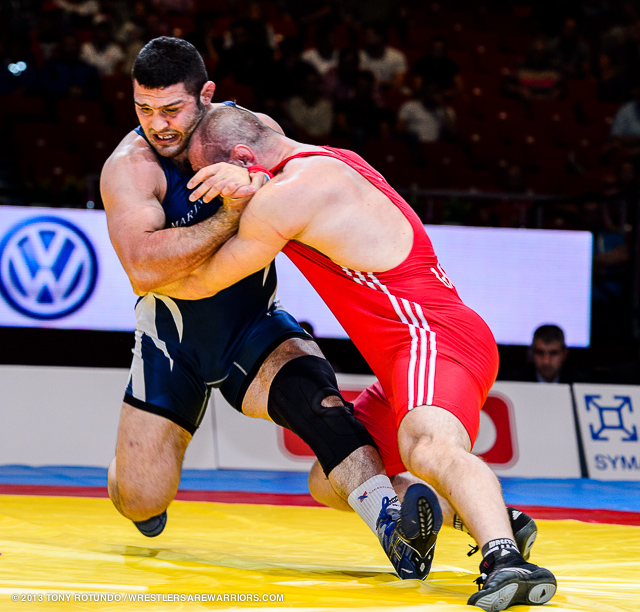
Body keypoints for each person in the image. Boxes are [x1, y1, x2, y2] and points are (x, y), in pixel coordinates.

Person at [158, 104, 557, 610]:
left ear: (241, 159)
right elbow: (259, 128)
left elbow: (205, 280)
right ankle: (493, 518)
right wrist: (245, 173)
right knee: (336, 477)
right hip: (411, 353)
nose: (208, 191)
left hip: (431, 336)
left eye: (207, 178)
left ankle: (506, 561)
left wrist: (149, 263)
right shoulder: (331, 159)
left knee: (427, 446)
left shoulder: (285, 196)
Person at [100, 36, 435, 581]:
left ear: (206, 94)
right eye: (143, 109)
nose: (157, 125)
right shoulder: (130, 167)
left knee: (320, 406)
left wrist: (258, 181)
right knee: (140, 498)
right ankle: (132, 478)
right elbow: (144, 267)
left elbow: (309, 184)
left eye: (171, 109)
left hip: (253, 326)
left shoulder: (248, 134)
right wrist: (233, 213)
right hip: (172, 344)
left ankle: (396, 527)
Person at [510, 324, 586, 384]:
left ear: (564, 353)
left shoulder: (581, 383)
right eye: (540, 353)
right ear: (531, 352)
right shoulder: (514, 382)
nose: (546, 361)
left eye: (553, 353)